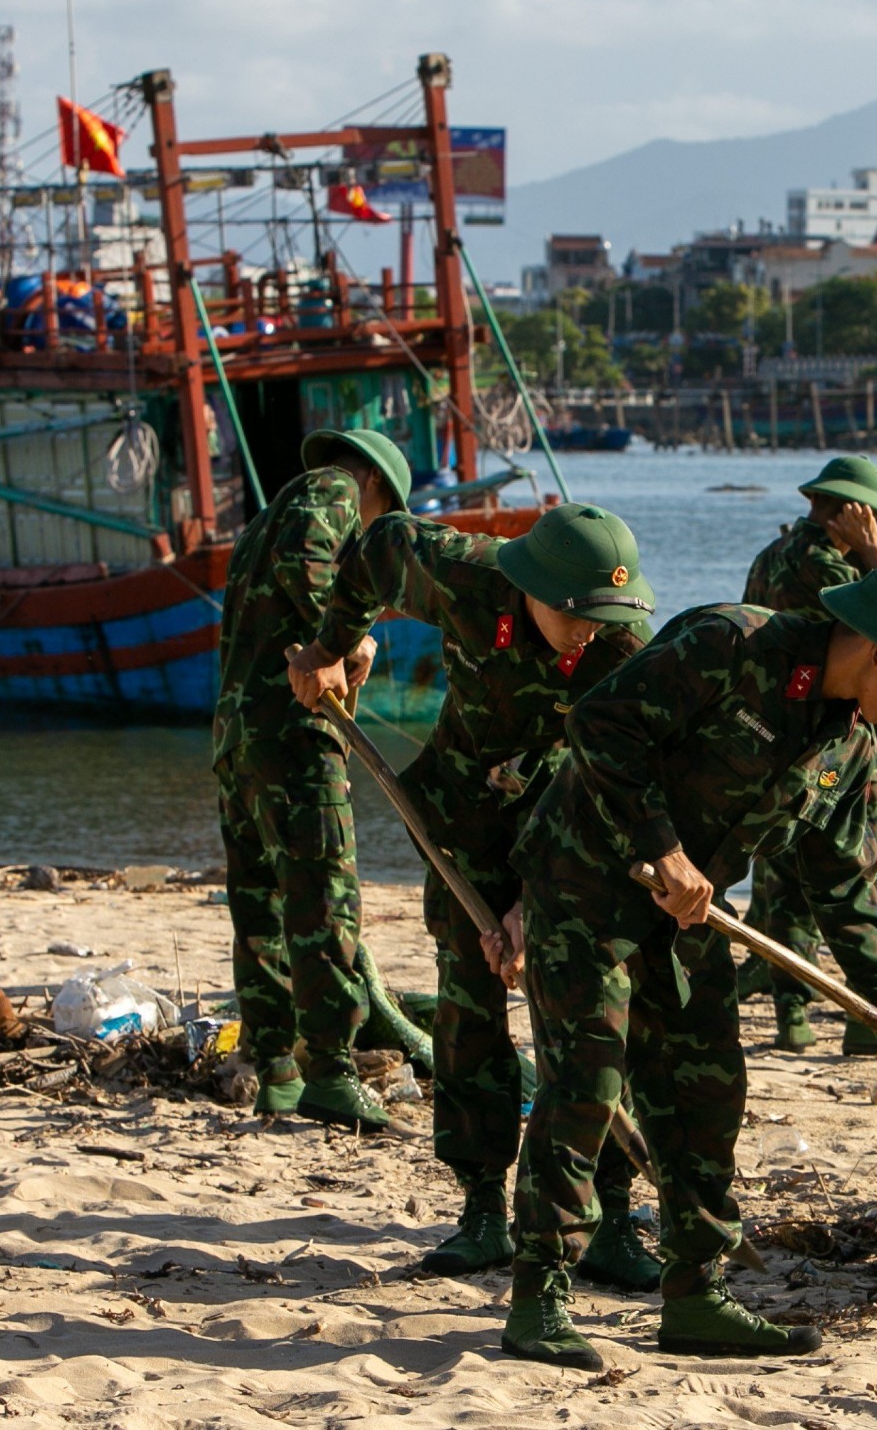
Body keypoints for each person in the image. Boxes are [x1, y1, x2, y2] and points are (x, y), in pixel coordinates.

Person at [503, 558, 877, 1370]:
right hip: (589, 878)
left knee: (709, 1086)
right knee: (589, 1079)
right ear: (876, 649)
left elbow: (851, 898)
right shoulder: (733, 643)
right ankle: (539, 1294)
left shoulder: (851, 753)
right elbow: (600, 724)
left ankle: (695, 1297)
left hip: (688, 916)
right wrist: (665, 845)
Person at [290, 501, 660, 1288]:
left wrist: (537, 901)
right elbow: (373, 550)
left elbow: (626, 789)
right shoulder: (462, 577)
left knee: (592, 1011)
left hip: (574, 823)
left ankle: (613, 1215)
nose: (590, 630)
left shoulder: (626, 651)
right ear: (533, 589)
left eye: (605, 616)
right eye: (576, 615)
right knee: (468, 1008)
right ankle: (482, 1209)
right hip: (463, 814)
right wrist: (333, 643)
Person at [211, 428, 412, 1131]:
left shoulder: (260, 522)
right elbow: (311, 564)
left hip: (237, 737)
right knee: (325, 899)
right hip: (295, 734)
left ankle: (276, 1070)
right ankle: (328, 1070)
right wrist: (348, 637)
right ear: (377, 489)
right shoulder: (334, 492)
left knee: (260, 906)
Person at [738, 456, 877, 1053]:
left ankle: (800, 1009)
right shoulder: (822, 565)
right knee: (844, 873)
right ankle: (820, 1015)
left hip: (776, 732)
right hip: (814, 738)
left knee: (787, 877)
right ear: (848, 512)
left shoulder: (770, 553)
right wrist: (871, 554)